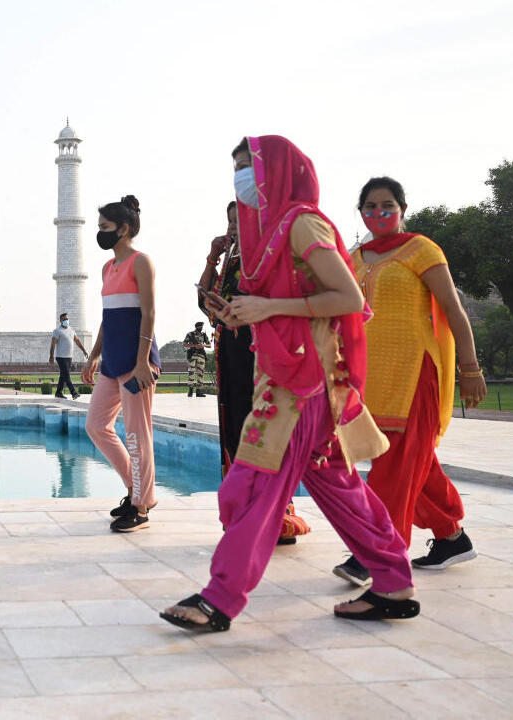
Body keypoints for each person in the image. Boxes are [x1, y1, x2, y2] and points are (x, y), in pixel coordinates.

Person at [161, 136, 419, 633]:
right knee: (338, 485)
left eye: (247, 167)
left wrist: (268, 308)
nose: (241, 179)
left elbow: (345, 296)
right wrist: (245, 312)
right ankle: (392, 580)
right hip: (287, 376)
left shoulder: (303, 222)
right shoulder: (271, 232)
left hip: (304, 384)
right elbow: (287, 298)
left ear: (276, 171)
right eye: (235, 169)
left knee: (255, 484)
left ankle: (219, 598)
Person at [331, 177, 486, 586]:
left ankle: (377, 553)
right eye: (369, 207)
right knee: (414, 461)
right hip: (371, 376)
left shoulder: (422, 249)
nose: (378, 213)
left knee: (394, 461)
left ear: (402, 208)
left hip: (416, 372)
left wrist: (470, 369)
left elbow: (452, 307)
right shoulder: (354, 257)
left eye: (387, 205)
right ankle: (452, 537)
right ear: (360, 212)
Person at [200, 201, 310, 545]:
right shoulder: (231, 261)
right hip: (229, 360)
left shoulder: (269, 261)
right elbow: (205, 301)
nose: (234, 227)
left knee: (265, 431)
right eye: (230, 221)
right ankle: (242, 513)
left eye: (240, 221)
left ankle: (279, 516)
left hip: (261, 359)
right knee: (235, 430)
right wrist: (211, 257)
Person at [81, 195, 161, 532]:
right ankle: (138, 489)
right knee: (97, 426)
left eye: (105, 227)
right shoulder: (107, 267)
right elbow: (108, 317)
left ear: (124, 229)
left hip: (136, 362)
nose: (100, 233)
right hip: (112, 360)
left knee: (135, 435)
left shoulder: (141, 262)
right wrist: (94, 353)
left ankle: (140, 507)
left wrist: (143, 362)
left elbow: (149, 313)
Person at [49, 312, 88, 399]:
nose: (66, 320)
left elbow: (77, 341)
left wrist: (84, 351)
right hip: (60, 357)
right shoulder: (57, 331)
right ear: (61, 321)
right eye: (64, 319)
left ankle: (58, 393)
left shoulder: (71, 330)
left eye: (67, 319)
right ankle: (73, 392)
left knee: (63, 375)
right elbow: (53, 344)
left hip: (69, 357)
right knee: (66, 374)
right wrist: (51, 356)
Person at [183, 321, 211, 397]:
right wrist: (194, 345)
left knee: (201, 373)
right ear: (196, 327)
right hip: (193, 355)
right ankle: (190, 391)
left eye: (202, 326)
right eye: (200, 326)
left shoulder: (204, 335)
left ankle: (199, 391)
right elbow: (184, 344)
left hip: (201, 356)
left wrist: (203, 345)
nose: (201, 328)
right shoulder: (190, 334)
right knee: (191, 372)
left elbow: (209, 345)